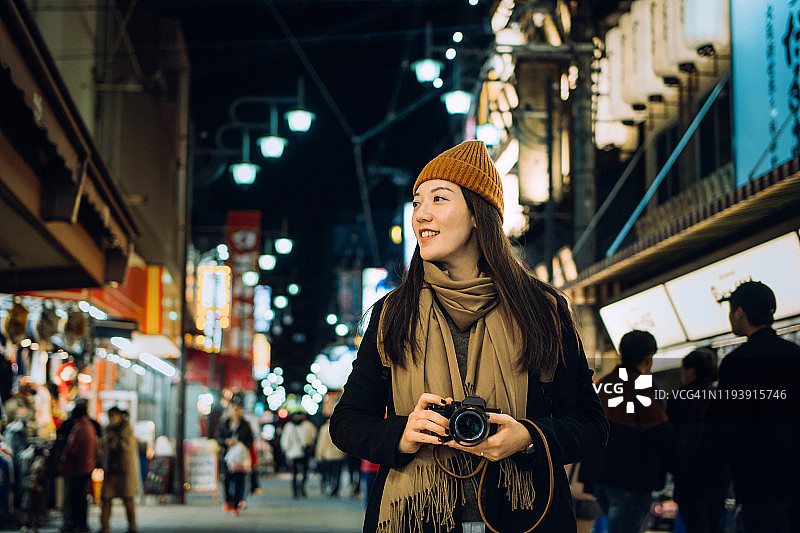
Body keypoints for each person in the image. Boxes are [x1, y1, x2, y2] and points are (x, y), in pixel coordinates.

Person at [329, 140, 609, 533]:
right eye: (417, 202)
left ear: (478, 214)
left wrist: (528, 436)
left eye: (439, 199)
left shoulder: (543, 311)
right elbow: (346, 422)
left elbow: (591, 425)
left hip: (523, 518)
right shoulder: (393, 313)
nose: (421, 214)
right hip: (417, 520)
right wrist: (402, 434)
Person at [695, 281, 800, 533]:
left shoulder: (737, 362)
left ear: (740, 312)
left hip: (759, 481)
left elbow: (720, 427)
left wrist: (697, 479)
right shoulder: (795, 355)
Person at [593, 330, 684, 533]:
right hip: (631, 480)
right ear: (648, 358)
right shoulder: (641, 388)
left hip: (602, 478)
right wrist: (682, 473)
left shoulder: (604, 384)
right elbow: (662, 435)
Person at [667, 348, 726, 533]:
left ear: (691, 370)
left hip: (688, 475)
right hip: (717, 476)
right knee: (713, 525)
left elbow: (671, 438)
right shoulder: (721, 396)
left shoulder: (679, 398)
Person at [60, 400, 98, 533]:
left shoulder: (79, 428)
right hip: (88, 466)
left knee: (75, 498)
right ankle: (81, 524)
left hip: (78, 468)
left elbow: (72, 449)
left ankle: (76, 523)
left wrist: (64, 458)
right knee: (82, 497)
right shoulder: (90, 426)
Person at [99, 407, 138, 533]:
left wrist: (115, 441)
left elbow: (127, 447)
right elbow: (104, 448)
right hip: (110, 470)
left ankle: (132, 526)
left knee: (128, 499)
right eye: (110, 415)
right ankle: (104, 527)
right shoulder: (108, 429)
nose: (112, 418)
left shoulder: (126, 429)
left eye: (113, 415)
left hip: (124, 470)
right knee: (106, 499)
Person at [216, 398, 254, 514]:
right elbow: (218, 438)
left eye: (237, 409)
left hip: (240, 457)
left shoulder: (245, 425)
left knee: (239, 480)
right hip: (226, 456)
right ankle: (227, 501)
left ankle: (236, 504)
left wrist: (239, 443)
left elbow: (250, 441)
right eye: (232, 409)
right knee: (226, 479)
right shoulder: (224, 423)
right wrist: (226, 441)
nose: (235, 411)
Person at [280, 412, 317, 498]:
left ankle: (295, 490)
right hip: (303, 452)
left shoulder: (289, 426)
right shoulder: (308, 425)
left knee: (295, 473)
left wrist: (286, 451)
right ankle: (302, 488)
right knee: (304, 472)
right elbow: (313, 438)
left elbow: (285, 440)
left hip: (293, 453)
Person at [315, 418, 346, 496]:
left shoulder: (324, 428)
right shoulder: (340, 427)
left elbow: (321, 443)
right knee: (337, 474)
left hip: (327, 455)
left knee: (327, 473)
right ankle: (335, 489)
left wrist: (319, 455)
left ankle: (327, 487)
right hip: (338, 455)